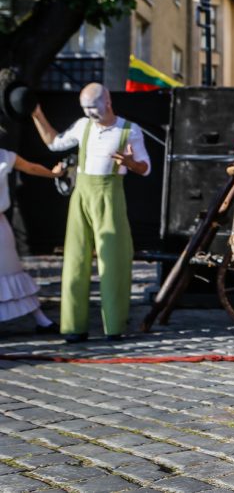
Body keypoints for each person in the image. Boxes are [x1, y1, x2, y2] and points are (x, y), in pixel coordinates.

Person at [31, 83, 151, 343]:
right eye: (84, 108)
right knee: (75, 259)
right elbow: (54, 142)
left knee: (114, 260)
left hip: (109, 195)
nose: (89, 113)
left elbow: (146, 168)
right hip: (81, 195)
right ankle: (74, 326)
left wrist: (130, 163)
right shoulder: (83, 125)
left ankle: (114, 325)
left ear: (107, 102)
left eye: (93, 108)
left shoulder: (128, 130)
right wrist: (36, 114)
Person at [0, 149, 64, 332]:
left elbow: (31, 168)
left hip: (0, 225)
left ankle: (41, 319)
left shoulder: (5, 156)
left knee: (10, 271)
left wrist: (54, 173)